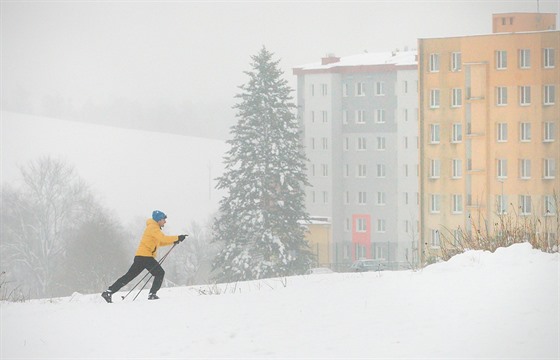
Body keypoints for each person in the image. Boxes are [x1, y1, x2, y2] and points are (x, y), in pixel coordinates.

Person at [101, 210, 187, 303]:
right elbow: (163, 238)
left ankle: (109, 292)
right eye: (163, 219)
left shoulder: (153, 228)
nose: (165, 222)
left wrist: (173, 241)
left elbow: (160, 242)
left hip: (141, 257)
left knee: (128, 276)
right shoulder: (153, 228)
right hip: (145, 257)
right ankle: (152, 294)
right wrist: (178, 237)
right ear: (158, 220)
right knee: (159, 273)